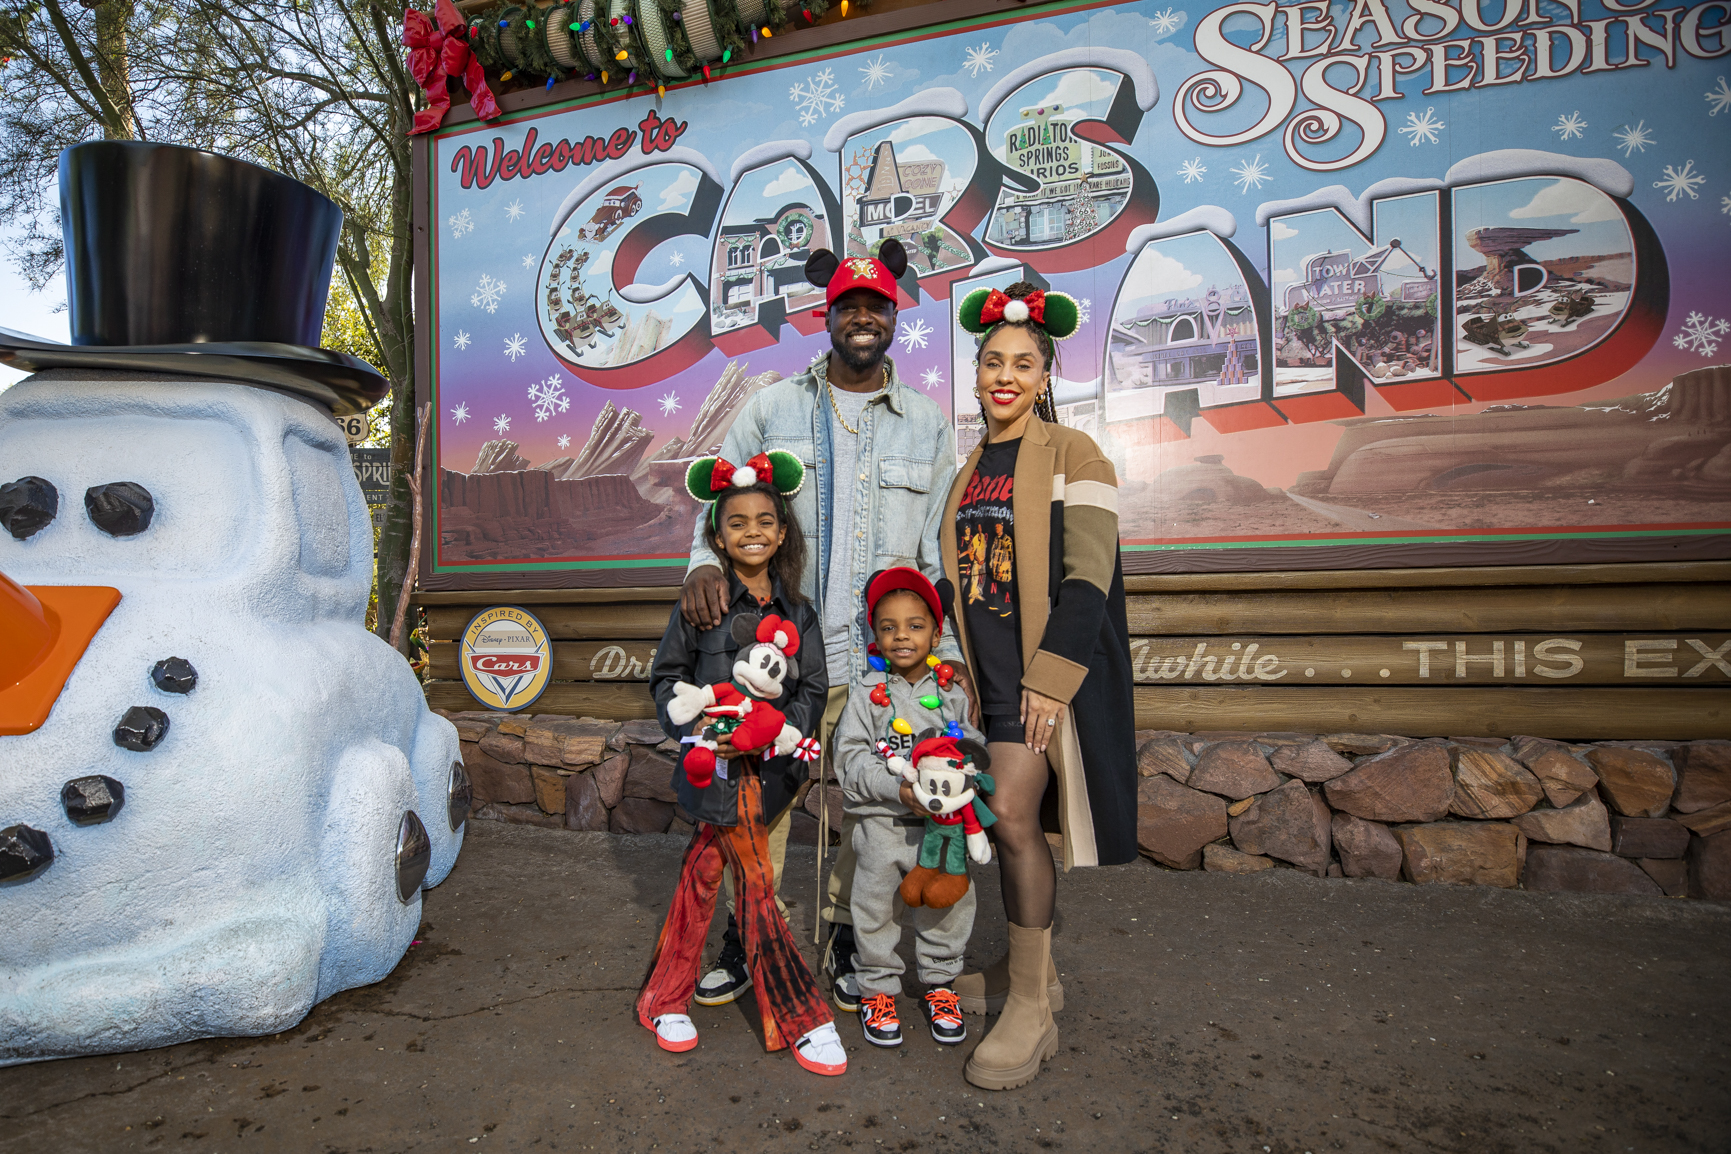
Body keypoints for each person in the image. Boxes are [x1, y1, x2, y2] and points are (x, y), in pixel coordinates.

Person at [677, 238, 972, 1014]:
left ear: (894, 318)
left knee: (867, 817)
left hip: (880, 662)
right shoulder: (770, 410)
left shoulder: (928, 427)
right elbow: (719, 511)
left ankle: (846, 938)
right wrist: (698, 569)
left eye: (877, 306)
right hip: (779, 656)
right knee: (760, 805)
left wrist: (942, 656)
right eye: (849, 306)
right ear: (828, 315)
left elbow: (937, 548)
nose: (863, 318)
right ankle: (749, 938)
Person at [941, 282, 1138, 1091]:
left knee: (1015, 816)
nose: (1005, 376)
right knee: (1008, 820)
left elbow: (1088, 580)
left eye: (1023, 363)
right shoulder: (966, 470)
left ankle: (1031, 1009)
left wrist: (1052, 681)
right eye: (992, 361)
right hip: (983, 679)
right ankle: (1036, 970)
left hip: (1036, 680)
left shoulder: (1074, 453)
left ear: (1045, 373)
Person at [637, 451, 847, 1076]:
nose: (751, 530)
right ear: (717, 535)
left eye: (764, 520)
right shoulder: (698, 606)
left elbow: (811, 690)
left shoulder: (799, 614)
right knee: (747, 885)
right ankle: (800, 1016)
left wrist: (775, 733)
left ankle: (664, 997)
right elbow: (667, 679)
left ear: (782, 533)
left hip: (769, 776)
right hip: (712, 771)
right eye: (737, 523)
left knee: (710, 877)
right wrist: (699, 725)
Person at [831, 567, 984, 1049]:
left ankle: (941, 986)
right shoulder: (867, 696)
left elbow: (974, 748)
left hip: (942, 831)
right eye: (889, 626)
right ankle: (877, 990)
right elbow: (849, 758)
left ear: (936, 634)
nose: (902, 636)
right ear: (874, 636)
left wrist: (969, 775)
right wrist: (894, 789)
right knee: (874, 909)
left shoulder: (952, 695)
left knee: (948, 906)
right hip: (881, 825)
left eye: (916, 626)